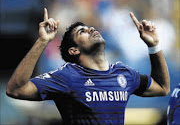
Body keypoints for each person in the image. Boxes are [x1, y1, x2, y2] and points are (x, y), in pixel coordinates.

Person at [6, 8, 170, 125]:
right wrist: (42, 41)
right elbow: (15, 89)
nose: (91, 28)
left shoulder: (124, 74)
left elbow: (162, 87)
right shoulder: (66, 76)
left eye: (89, 27)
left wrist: (154, 46)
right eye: (82, 31)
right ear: (74, 50)